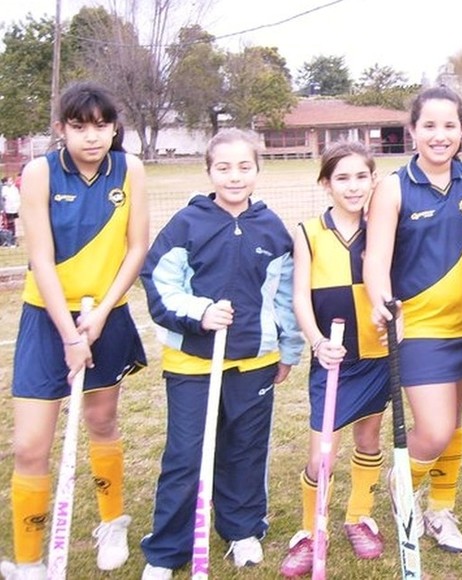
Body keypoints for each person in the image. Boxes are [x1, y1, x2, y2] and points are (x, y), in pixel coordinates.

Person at [138, 128, 304, 580]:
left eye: (244, 166)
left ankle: (242, 528)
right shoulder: (186, 224)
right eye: (224, 167)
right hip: (193, 364)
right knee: (186, 456)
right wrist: (201, 312)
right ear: (209, 171)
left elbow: (285, 296)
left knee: (245, 450)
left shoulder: (271, 229)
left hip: (254, 363)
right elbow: (158, 283)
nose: (234, 176)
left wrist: (287, 348)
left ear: (257, 169)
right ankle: (166, 550)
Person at [0, 81, 148, 580]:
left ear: (114, 128)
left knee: (102, 422)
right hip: (49, 321)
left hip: (106, 314)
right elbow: (38, 257)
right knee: (30, 446)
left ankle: (112, 522)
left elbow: (136, 249)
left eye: (102, 125)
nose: (92, 136)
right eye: (80, 126)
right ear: (61, 128)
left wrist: (101, 314)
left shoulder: (131, 170)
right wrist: (68, 334)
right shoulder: (39, 173)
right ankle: (28, 561)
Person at [363, 84, 462, 553]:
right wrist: (381, 303)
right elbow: (375, 259)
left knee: (455, 424)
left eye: (449, 125)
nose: (440, 135)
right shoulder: (393, 187)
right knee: (434, 429)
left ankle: (439, 510)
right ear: (412, 131)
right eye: (429, 125)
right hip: (421, 330)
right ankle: (400, 484)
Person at [279, 141, 390, 577]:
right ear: (326, 184)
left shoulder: (383, 229)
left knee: (369, 439)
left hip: (377, 354)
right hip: (334, 358)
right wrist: (316, 340)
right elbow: (300, 297)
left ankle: (358, 516)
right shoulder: (308, 232)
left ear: (373, 179)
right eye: (342, 177)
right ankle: (311, 530)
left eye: (362, 176)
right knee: (321, 454)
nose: (353, 186)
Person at [1, 177, 20, 246]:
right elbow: (3, 198)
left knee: (13, 222)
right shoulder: (4, 189)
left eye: (11, 180)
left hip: (14, 208)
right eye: (9, 180)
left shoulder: (14, 189)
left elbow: (17, 197)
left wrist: (17, 206)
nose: (11, 182)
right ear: (6, 182)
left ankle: (13, 234)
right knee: (7, 223)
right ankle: (7, 236)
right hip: (7, 208)